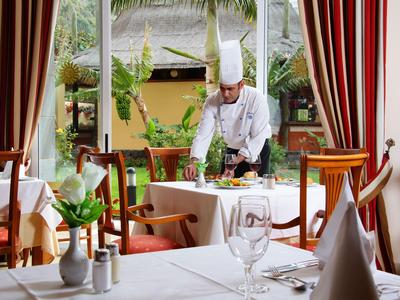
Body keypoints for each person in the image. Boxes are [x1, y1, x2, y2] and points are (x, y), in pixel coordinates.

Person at [183, 40, 272, 181]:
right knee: (224, 185)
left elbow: (258, 135)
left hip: (257, 151)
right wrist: (194, 161)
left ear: (241, 85)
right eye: (222, 88)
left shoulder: (256, 98)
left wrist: (237, 161)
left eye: (230, 89)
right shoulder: (212, 100)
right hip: (231, 150)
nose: (225, 94)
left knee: (255, 189)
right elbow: (203, 134)